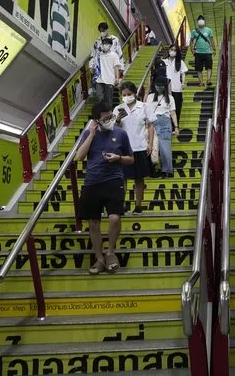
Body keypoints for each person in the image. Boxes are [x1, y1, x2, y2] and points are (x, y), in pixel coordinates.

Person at [76, 102, 134, 275]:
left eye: (111, 116)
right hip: (92, 182)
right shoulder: (88, 133)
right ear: (96, 120)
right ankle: (99, 258)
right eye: (105, 118)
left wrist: (118, 158)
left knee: (115, 218)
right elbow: (79, 156)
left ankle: (110, 252)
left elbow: (131, 159)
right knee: (93, 223)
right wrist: (91, 134)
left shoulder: (121, 134)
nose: (109, 120)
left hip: (114, 180)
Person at [114, 82, 155, 215]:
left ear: (134, 94)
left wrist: (150, 143)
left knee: (139, 178)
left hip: (140, 146)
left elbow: (150, 126)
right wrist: (118, 119)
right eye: (124, 95)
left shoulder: (144, 107)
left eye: (129, 94)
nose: (127, 97)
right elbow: (113, 129)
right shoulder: (118, 109)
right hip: (123, 149)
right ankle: (121, 205)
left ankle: (138, 205)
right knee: (122, 179)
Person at [146, 76, 179, 177]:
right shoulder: (150, 97)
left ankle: (167, 170)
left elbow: (173, 113)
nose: (159, 87)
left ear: (165, 86)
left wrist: (176, 127)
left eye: (161, 86)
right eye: (157, 85)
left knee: (165, 147)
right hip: (152, 122)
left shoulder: (170, 98)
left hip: (165, 121)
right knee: (153, 146)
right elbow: (146, 111)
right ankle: (153, 169)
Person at [89, 37, 122, 108]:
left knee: (108, 99)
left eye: (106, 44)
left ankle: (108, 115)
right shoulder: (99, 55)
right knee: (99, 97)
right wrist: (92, 68)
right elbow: (94, 64)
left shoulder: (114, 55)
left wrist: (117, 78)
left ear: (110, 46)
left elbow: (116, 67)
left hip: (110, 80)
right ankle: (101, 114)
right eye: (103, 44)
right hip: (99, 79)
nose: (104, 45)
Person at [163, 44, 189, 123]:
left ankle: (175, 126)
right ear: (169, 50)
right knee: (166, 108)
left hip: (177, 89)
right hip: (166, 88)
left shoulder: (180, 62)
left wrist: (183, 83)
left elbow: (183, 73)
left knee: (177, 107)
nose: (173, 52)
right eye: (171, 49)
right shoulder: (164, 61)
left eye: (175, 50)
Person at [190, 15, 216, 87]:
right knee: (198, 69)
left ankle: (208, 80)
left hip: (208, 52)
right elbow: (191, 41)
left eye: (202, 19)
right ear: (197, 22)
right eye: (199, 19)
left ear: (205, 21)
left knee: (209, 67)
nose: (200, 20)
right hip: (198, 53)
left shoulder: (209, 30)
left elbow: (211, 40)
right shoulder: (194, 31)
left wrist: (214, 49)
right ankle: (201, 82)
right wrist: (192, 50)